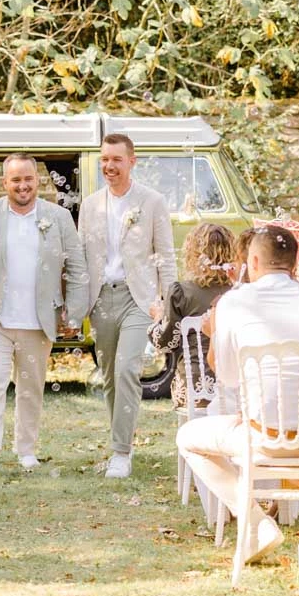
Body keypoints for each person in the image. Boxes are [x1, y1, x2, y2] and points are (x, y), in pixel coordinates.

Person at [176, 225, 299, 563]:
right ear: (295, 261)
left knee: (187, 438)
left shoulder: (234, 303)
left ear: (253, 261)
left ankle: (255, 521)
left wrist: (213, 334)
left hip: (260, 438)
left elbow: (226, 375)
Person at [0, 154, 86, 474]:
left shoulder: (59, 217)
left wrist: (74, 313)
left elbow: (77, 268)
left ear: (37, 180)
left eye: (28, 179)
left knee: (30, 389)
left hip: (39, 320)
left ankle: (26, 450)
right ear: (4, 183)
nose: (22, 185)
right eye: (15, 180)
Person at [80, 133, 176, 478]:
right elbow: (80, 258)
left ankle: (121, 452)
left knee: (126, 370)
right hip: (101, 299)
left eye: (116, 160)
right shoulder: (90, 205)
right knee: (108, 377)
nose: (109, 166)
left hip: (140, 299)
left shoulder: (152, 202)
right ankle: (122, 441)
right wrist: (76, 305)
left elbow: (165, 256)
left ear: (131, 162)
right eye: (104, 159)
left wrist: (167, 301)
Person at [153, 224, 236, 413]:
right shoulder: (240, 291)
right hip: (235, 387)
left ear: (192, 254)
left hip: (194, 386)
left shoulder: (181, 292)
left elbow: (165, 342)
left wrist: (158, 318)